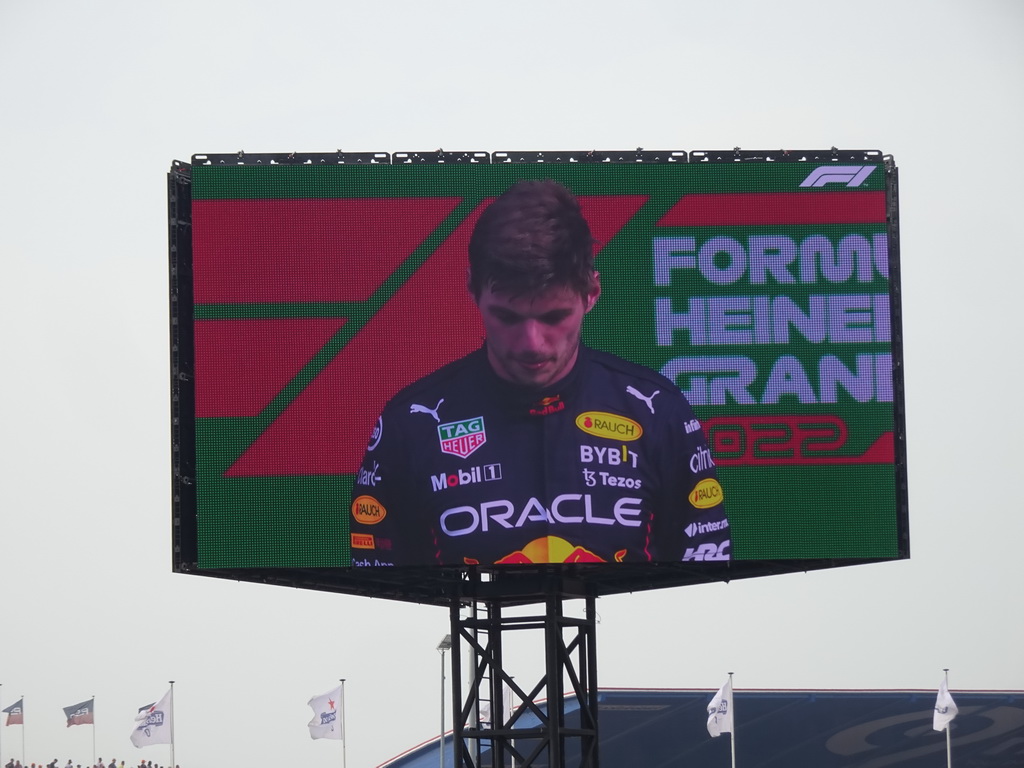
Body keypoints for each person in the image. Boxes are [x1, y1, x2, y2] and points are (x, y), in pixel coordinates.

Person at [350, 179, 728, 566]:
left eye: (554, 316)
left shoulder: (657, 411)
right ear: (472, 290)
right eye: (507, 316)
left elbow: (705, 576)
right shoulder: (410, 423)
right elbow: (382, 591)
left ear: (592, 293)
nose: (532, 342)